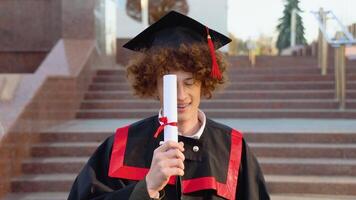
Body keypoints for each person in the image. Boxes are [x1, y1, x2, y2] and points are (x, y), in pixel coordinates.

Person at [68, 11, 270, 200]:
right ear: (153, 86)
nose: (180, 96)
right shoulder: (122, 146)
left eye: (189, 82)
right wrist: (146, 188)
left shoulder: (232, 148)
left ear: (204, 82)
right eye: (169, 84)